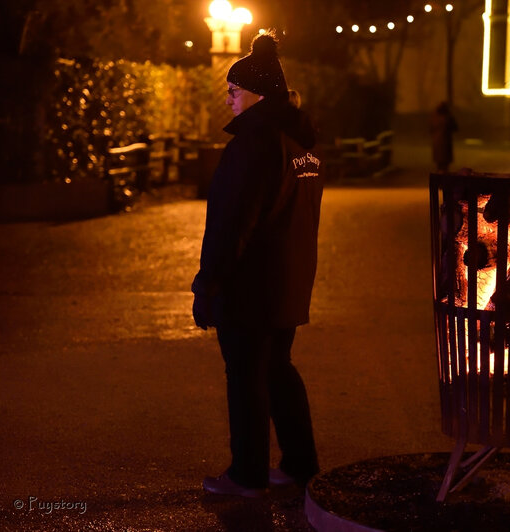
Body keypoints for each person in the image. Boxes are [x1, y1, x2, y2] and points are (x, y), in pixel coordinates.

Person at [191, 32, 322, 498]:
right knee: (278, 369)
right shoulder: (301, 145)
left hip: (251, 286)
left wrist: (209, 285)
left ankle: (247, 475)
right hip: (287, 282)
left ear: (258, 94)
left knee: (245, 376)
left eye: (233, 90)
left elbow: (232, 223)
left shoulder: (253, 144)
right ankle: (300, 463)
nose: (227, 97)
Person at [430, 101, 458, 173]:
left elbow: (430, 129)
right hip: (446, 143)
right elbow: (455, 127)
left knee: (439, 164)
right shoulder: (448, 118)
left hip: (436, 142)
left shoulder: (434, 118)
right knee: (445, 166)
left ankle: (438, 178)